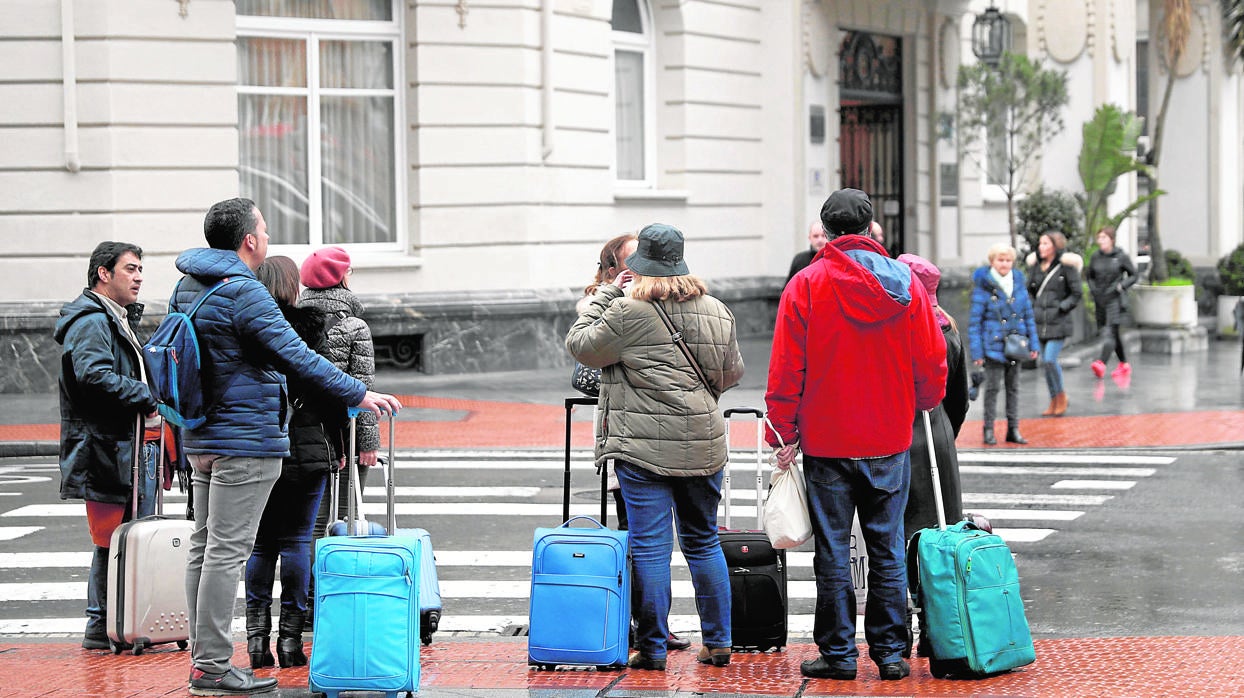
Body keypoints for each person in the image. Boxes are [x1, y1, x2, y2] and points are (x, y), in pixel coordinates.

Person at [175, 198, 401, 697]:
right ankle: (212, 665)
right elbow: (296, 356)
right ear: (249, 241)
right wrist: (358, 392)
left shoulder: (189, 284)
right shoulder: (244, 292)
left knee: (205, 545)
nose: (269, 237)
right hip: (245, 438)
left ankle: (202, 655)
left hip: (203, 435)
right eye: (265, 229)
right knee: (227, 551)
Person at [766, 188, 947, 682]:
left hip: (827, 438)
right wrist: (924, 400)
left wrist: (781, 428)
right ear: (870, 229)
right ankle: (890, 652)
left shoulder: (805, 285)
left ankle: (839, 652)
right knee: (886, 545)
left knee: (833, 548)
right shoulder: (905, 283)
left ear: (825, 232)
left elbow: (786, 367)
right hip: (889, 434)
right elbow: (931, 358)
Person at [566, 223, 744, 672]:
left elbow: (582, 346)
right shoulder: (717, 310)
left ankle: (653, 648)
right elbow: (732, 372)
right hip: (704, 444)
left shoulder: (629, 311)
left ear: (640, 265)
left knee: (649, 547)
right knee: (704, 542)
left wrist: (607, 294)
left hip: (642, 448)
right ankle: (719, 641)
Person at [575, 233, 693, 653]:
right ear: (612, 270)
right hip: (625, 439)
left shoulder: (658, 303)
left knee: (660, 540)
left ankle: (654, 625)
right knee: (636, 537)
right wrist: (613, 296)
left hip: (663, 438)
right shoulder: (601, 304)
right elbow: (584, 355)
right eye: (630, 263)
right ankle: (634, 623)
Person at [54, 241, 161, 651]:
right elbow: (94, 376)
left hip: (121, 446)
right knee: (111, 539)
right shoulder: (91, 320)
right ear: (103, 273)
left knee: (126, 536)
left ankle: (119, 622)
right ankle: (101, 627)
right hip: (105, 447)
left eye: (139, 270)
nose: (138, 277)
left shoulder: (114, 317)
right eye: (130, 269)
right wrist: (146, 395)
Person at [244, 256, 347, 671]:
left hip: (258, 447)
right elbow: (329, 388)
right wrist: (339, 444)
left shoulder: (246, 328)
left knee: (261, 544)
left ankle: (255, 642)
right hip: (307, 449)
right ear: (293, 287)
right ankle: (290, 642)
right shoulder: (308, 329)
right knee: (298, 540)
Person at [299, 245, 380, 625]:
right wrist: (368, 443)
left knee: (311, 522)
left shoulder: (293, 318)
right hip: (345, 435)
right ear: (343, 277)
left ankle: (308, 601)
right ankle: (337, 597)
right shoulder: (353, 326)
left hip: (308, 433)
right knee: (344, 518)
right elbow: (362, 389)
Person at [895, 254, 968, 658]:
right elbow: (958, 399)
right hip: (938, 435)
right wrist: (947, 434)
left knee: (900, 535)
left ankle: (900, 624)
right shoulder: (949, 331)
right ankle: (935, 627)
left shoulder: (898, 328)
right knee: (940, 535)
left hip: (901, 435)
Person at [968, 243, 1041, 445]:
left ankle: (1013, 429)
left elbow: (1028, 316)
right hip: (992, 346)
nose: (1005, 264)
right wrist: (977, 353)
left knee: (1014, 389)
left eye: (1008, 260)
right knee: (992, 389)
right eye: (1000, 260)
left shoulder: (1018, 284)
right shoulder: (983, 287)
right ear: (992, 261)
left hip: (1016, 344)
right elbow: (975, 323)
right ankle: (988, 429)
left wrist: (1033, 345)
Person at [1027, 232, 1083, 416]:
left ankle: (1061, 397)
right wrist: (1033, 307)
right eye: (1040, 243)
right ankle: (1053, 400)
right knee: (1044, 363)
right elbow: (1030, 290)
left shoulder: (1066, 267)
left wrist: (1062, 307)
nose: (1041, 247)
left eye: (1045, 243)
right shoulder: (1036, 267)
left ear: (1055, 246)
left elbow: (1076, 293)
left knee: (1050, 359)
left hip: (1058, 321)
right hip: (1040, 321)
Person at [1085, 226, 1138, 380]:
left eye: (1104, 237)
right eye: (1099, 238)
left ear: (1112, 240)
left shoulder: (1120, 257)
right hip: (1100, 300)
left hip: (1115, 299)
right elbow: (1089, 276)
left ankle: (1101, 362)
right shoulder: (1096, 257)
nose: (1100, 241)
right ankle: (1124, 364)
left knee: (1110, 331)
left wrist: (1122, 286)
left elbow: (1134, 275)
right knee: (1112, 333)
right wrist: (1093, 290)